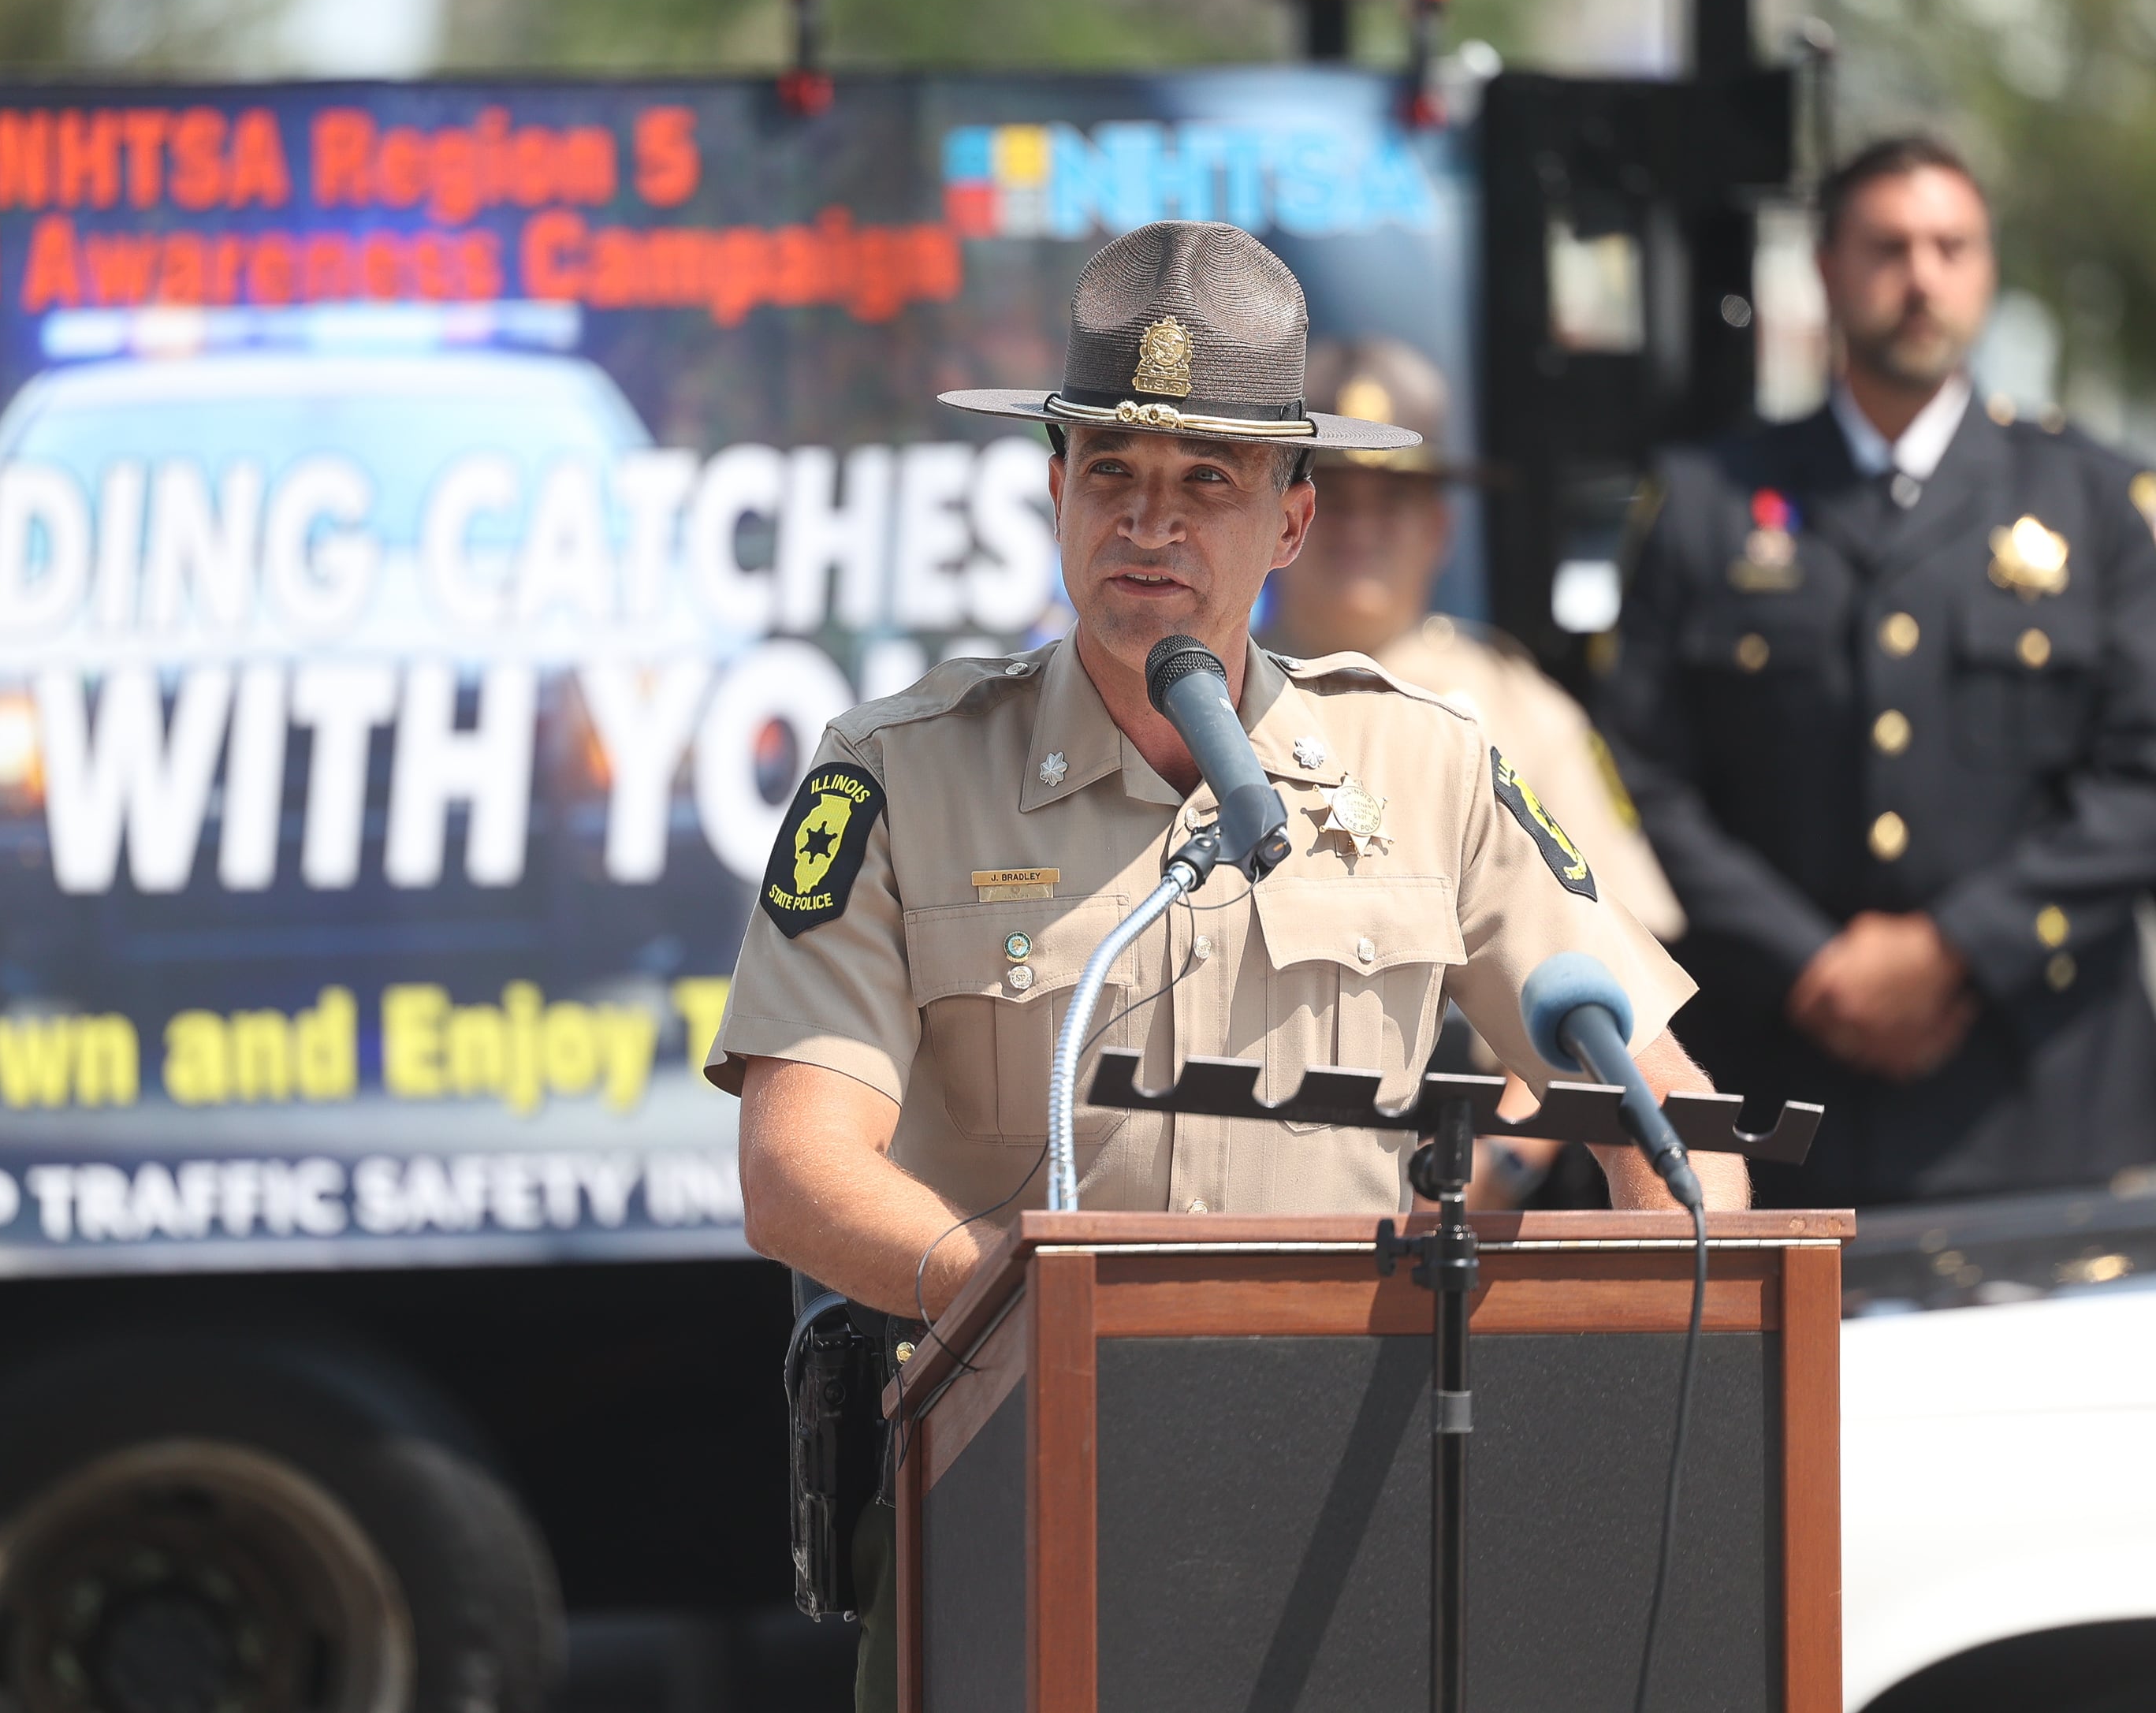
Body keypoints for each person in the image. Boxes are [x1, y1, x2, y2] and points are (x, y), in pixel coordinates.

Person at [706, 220, 1748, 1712]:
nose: (1154, 524)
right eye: (1114, 478)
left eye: (1211, 480)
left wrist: (1646, 1425)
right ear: (1055, 492)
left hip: (1342, 1508)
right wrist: (1000, 1296)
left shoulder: (1431, 767)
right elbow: (794, 1164)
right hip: (1014, 1494)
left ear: (1294, 520)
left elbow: (1672, 1133)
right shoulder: (899, 775)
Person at [1601, 134, 2156, 1210]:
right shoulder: (1708, 501)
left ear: (1988, 269)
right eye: (1888, 246)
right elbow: (1640, 777)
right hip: (1776, 1090)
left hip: (2041, 1099)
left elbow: (2143, 777)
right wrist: (1812, 965)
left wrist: (1956, 949)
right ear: (1825, 268)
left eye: (1952, 246)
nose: (1922, 277)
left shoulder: (2098, 500)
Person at [1268, 336, 1686, 1205]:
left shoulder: (1520, 708)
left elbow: (1608, 993)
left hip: (1468, 1173)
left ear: (1441, 527)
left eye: (1394, 503)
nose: (1360, 532)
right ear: (1286, 516)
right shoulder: (1203, 702)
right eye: (1335, 499)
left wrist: (1490, 1167)